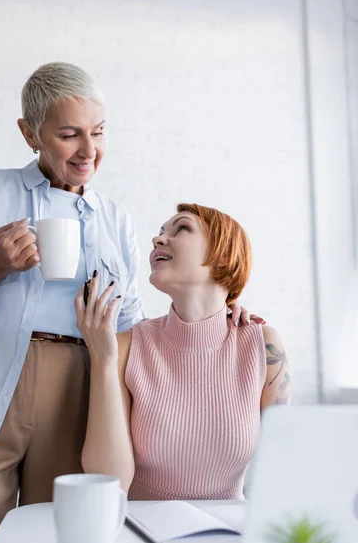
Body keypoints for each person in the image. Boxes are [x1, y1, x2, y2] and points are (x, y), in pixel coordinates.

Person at [0, 61, 146, 543]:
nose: (89, 151)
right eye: (69, 134)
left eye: (98, 132)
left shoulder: (116, 220)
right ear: (29, 133)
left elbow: (131, 328)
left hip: (77, 391)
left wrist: (223, 312)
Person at [76, 203, 290, 501]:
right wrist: (102, 359)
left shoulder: (263, 346)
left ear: (223, 255)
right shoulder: (126, 347)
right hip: (143, 535)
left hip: (228, 533)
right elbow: (110, 483)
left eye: (182, 229)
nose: (158, 239)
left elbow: (283, 470)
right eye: (161, 231)